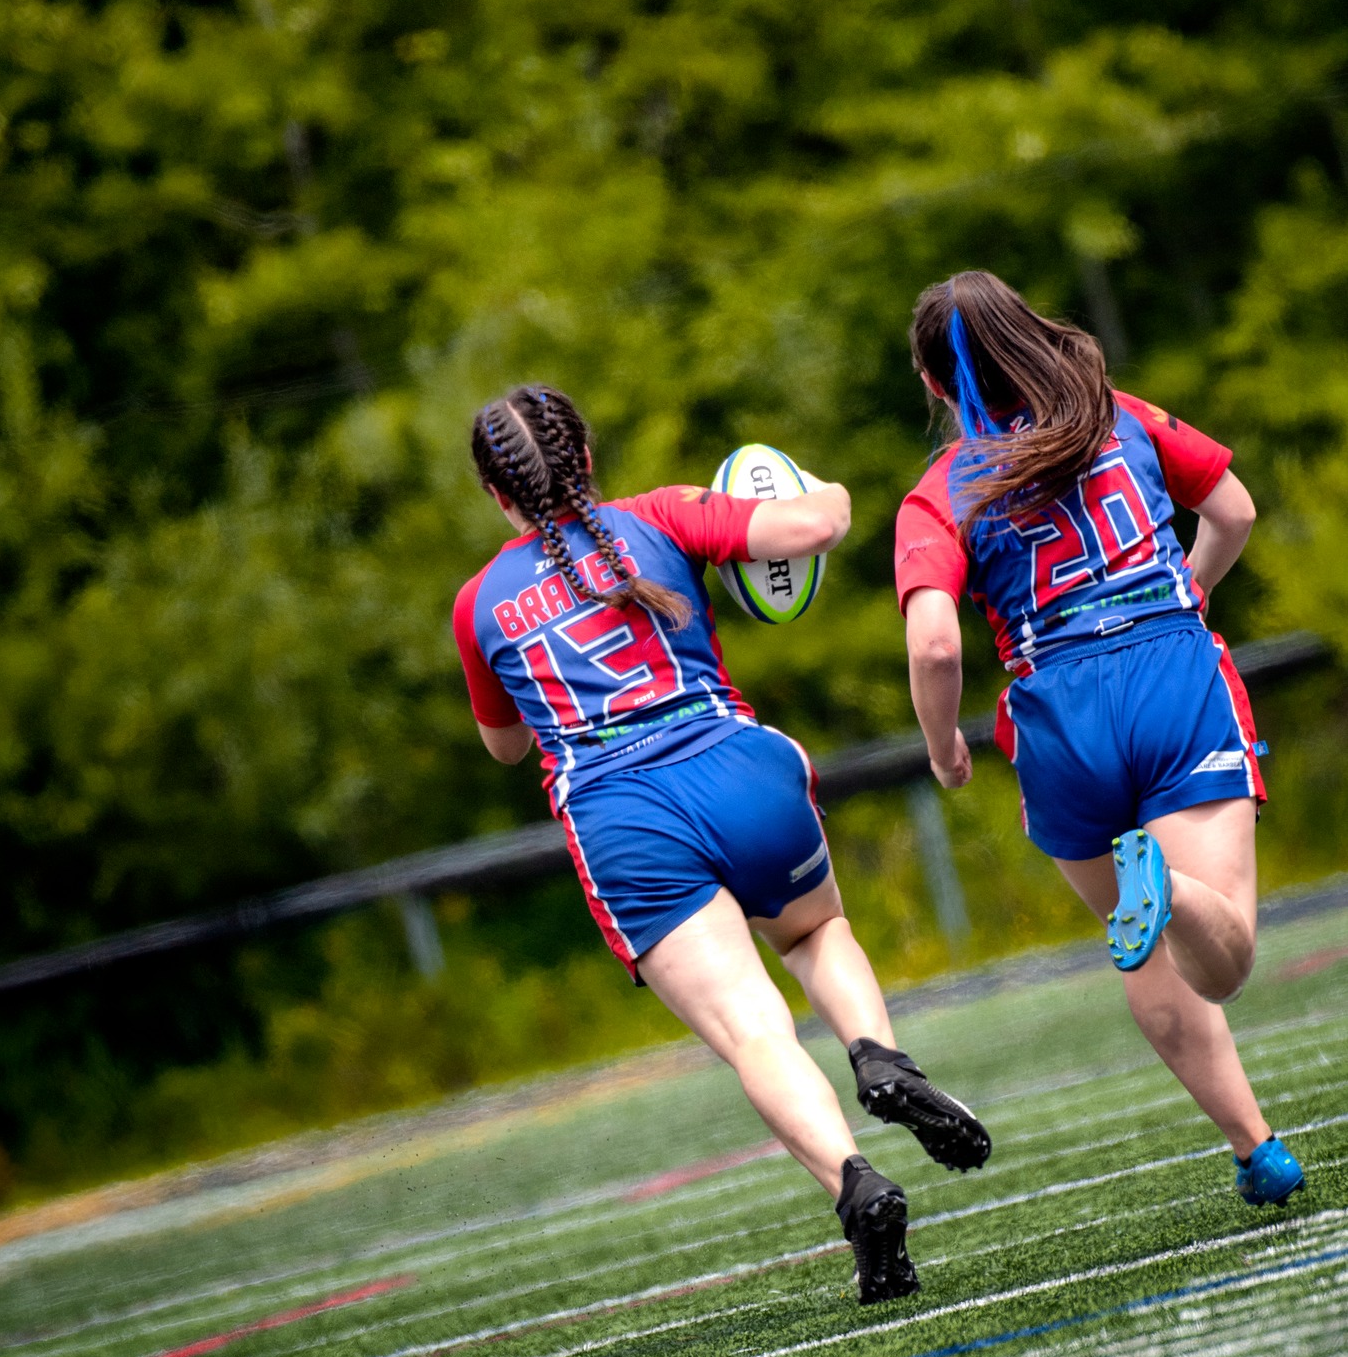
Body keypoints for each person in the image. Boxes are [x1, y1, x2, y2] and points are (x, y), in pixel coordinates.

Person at [453, 385, 992, 1303]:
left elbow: (505, 746)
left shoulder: (477, 605)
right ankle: (878, 1056)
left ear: (496, 494)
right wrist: (820, 487)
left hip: (622, 819)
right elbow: (818, 524)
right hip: (736, 766)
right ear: (585, 458)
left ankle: (856, 1184)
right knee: (815, 934)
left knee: (753, 1031)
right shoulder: (663, 514)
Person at [896, 270, 1303, 1208]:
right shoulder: (1117, 415)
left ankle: (1254, 1147)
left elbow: (933, 644)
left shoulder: (937, 491)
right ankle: (1169, 889)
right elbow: (1233, 509)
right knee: (1222, 954)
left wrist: (944, 749)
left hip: (1054, 715)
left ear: (933, 384)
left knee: (1142, 945)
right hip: (1168, 675)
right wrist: (1191, 588)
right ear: (1027, 335)